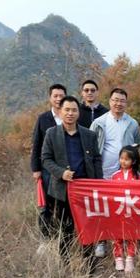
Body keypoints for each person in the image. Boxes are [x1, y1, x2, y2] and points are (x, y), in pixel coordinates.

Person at [40, 95, 102, 267]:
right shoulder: (51, 134)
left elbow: (97, 159)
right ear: (60, 112)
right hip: (62, 189)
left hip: (85, 189)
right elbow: (45, 159)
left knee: (86, 226)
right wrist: (61, 173)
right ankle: (65, 261)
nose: (70, 113)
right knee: (65, 227)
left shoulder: (89, 135)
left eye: (74, 110)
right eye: (67, 110)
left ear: (78, 113)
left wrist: (98, 184)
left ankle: (89, 262)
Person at [90, 88, 139, 257]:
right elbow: (91, 147)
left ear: (126, 102)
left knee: (122, 208)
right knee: (102, 208)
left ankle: (124, 239)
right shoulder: (99, 122)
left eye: (122, 100)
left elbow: (135, 146)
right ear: (110, 101)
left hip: (123, 175)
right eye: (115, 100)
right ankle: (101, 241)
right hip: (103, 172)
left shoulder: (132, 123)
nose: (118, 103)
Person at [30, 83, 66, 237]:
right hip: (47, 168)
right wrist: (35, 169)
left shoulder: (70, 115)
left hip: (66, 168)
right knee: (47, 204)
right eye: (55, 96)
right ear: (50, 98)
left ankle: (66, 233)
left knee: (65, 202)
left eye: (61, 96)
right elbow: (36, 144)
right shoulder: (43, 119)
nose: (58, 99)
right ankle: (46, 237)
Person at [111, 145, 140, 272]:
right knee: (117, 233)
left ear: (133, 161)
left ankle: (130, 258)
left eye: (127, 159)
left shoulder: (138, 176)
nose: (123, 161)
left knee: (132, 234)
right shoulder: (115, 175)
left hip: (132, 210)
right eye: (121, 158)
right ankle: (118, 258)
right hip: (118, 210)